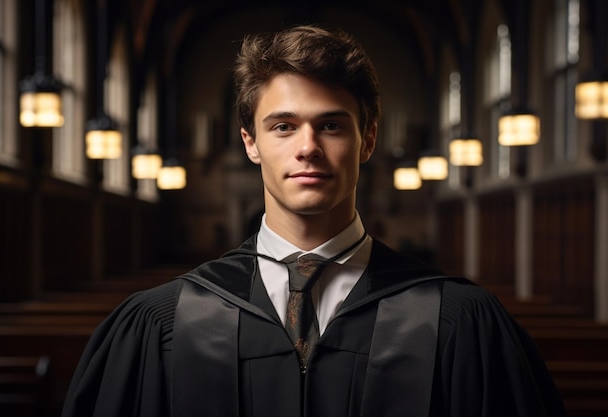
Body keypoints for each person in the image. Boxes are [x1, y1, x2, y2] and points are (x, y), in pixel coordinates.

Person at [61, 25, 566, 417]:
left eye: (330, 125)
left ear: (367, 139)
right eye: (282, 126)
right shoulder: (162, 322)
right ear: (250, 143)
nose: (307, 147)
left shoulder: (458, 321)